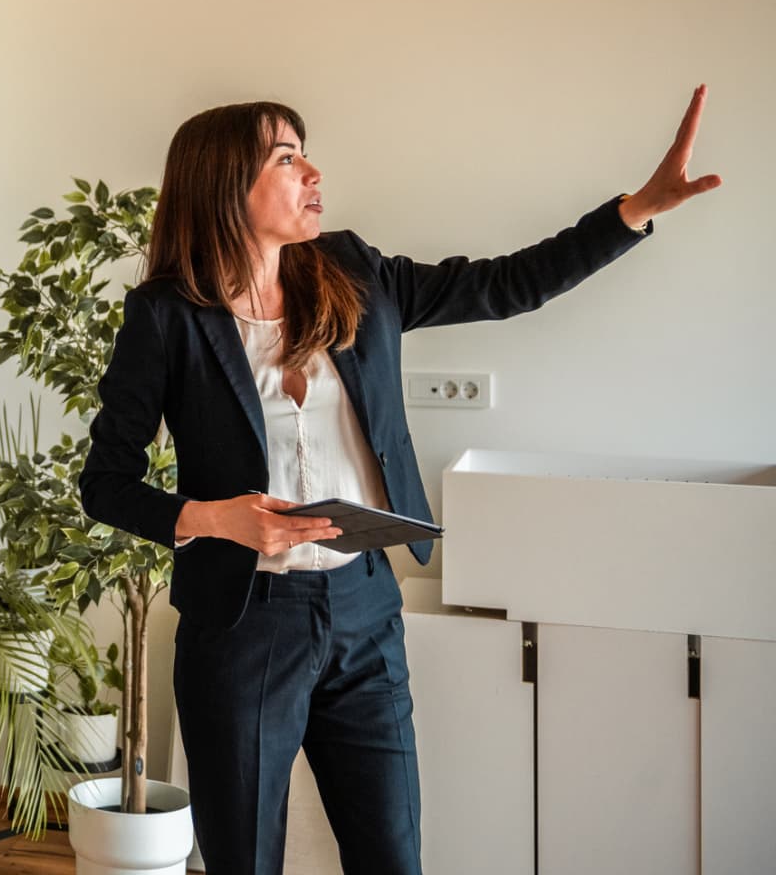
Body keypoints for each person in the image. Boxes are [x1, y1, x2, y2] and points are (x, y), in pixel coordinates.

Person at [78, 89, 720, 874]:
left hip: (365, 613)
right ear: (224, 186)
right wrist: (216, 518)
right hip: (244, 627)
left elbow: (505, 284)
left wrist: (635, 209)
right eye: (287, 159)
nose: (313, 171)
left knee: (393, 856)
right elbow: (106, 482)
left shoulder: (350, 270)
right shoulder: (166, 317)